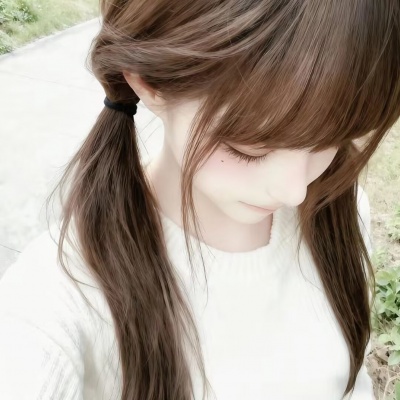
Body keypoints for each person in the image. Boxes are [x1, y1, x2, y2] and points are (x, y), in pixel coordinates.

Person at [1, 0, 399, 399]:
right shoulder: (56, 299)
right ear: (148, 83)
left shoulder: (342, 210)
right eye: (250, 149)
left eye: (333, 138)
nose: (294, 190)